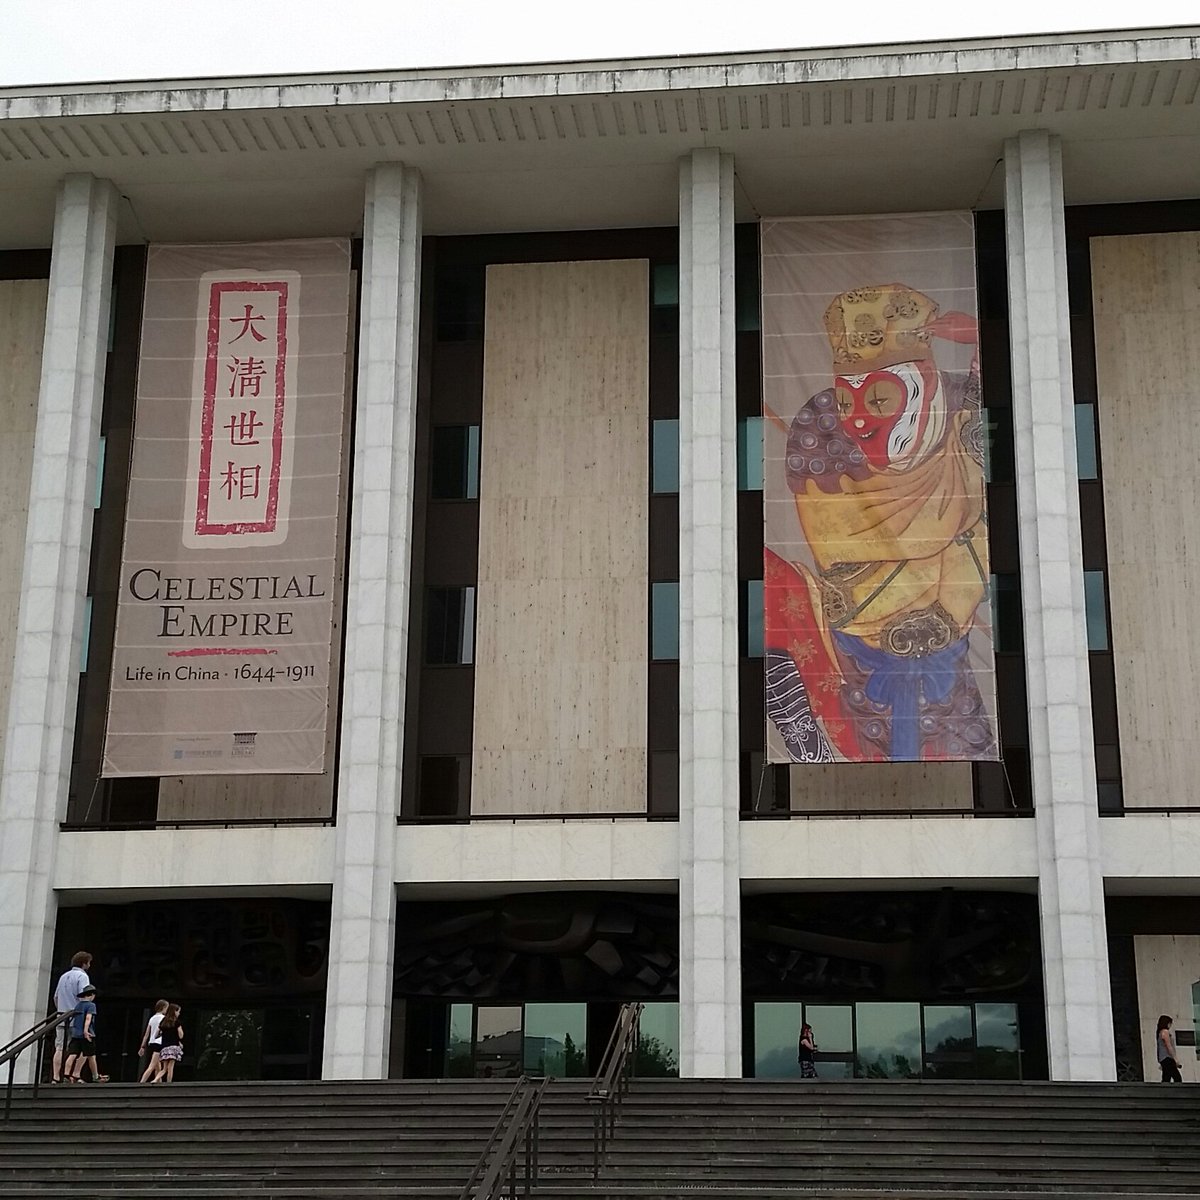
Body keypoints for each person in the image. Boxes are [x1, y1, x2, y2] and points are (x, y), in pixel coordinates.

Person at [765, 285, 995, 763]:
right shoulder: (820, 430)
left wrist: (982, 348)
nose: (859, 421)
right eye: (849, 402)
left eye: (878, 398)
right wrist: (936, 551)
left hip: (946, 654)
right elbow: (845, 554)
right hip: (859, 650)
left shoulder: (957, 424)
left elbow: (977, 534)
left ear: (923, 388)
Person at [51, 951, 91, 1084]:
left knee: (60, 1048)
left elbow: (56, 997)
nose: (89, 965)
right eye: (89, 963)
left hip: (61, 1016)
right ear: (84, 963)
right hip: (77, 1017)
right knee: (84, 1047)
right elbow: (84, 996)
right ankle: (74, 1074)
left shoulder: (63, 976)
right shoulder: (82, 976)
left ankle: (56, 1077)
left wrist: (61, 1009)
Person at [63, 983, 107, 1083]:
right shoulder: (91, 1005)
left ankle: (66, 1075)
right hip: (87, 1034)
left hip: (75, 1033)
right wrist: (86, 1031)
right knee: (91, 1056)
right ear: (91, 995)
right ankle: (95, 1076)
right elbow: (88, 1018)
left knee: (72, 1054)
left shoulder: (78, 1005)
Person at [138, 999, 170, 1084]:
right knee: (152, 1066)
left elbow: (146, 1034)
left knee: (158, 1067)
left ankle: (159, 1084)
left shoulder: (152, 1018)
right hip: (159, 1043)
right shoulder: (164, 1018)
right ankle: (141, 1083)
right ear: (163, 1007)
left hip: (151, 1043)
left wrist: (142, 1046)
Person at [153, 1004, 184, 1083]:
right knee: (170, 1067)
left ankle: (155, 1079)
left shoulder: (163, 1022)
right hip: (173, 1047)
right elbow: (181, 1035)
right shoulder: (176, 1022)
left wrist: (163, 1034)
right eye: (178, 1012)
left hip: (164, 1048)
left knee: (164, 1068)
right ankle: (169, 1083)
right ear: (174, 1012)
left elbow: (156, 1035)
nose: (179, 1014)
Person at [1157, 1015, 1183, 1083]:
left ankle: (1164, 1092)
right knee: (1177, 1077)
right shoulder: (1165, 1032)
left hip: (1163, 1058)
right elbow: (1169, 1046)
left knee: (1166, 1078)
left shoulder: (1160, 1033)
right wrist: (1175, 1059)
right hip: (1168, 1058)